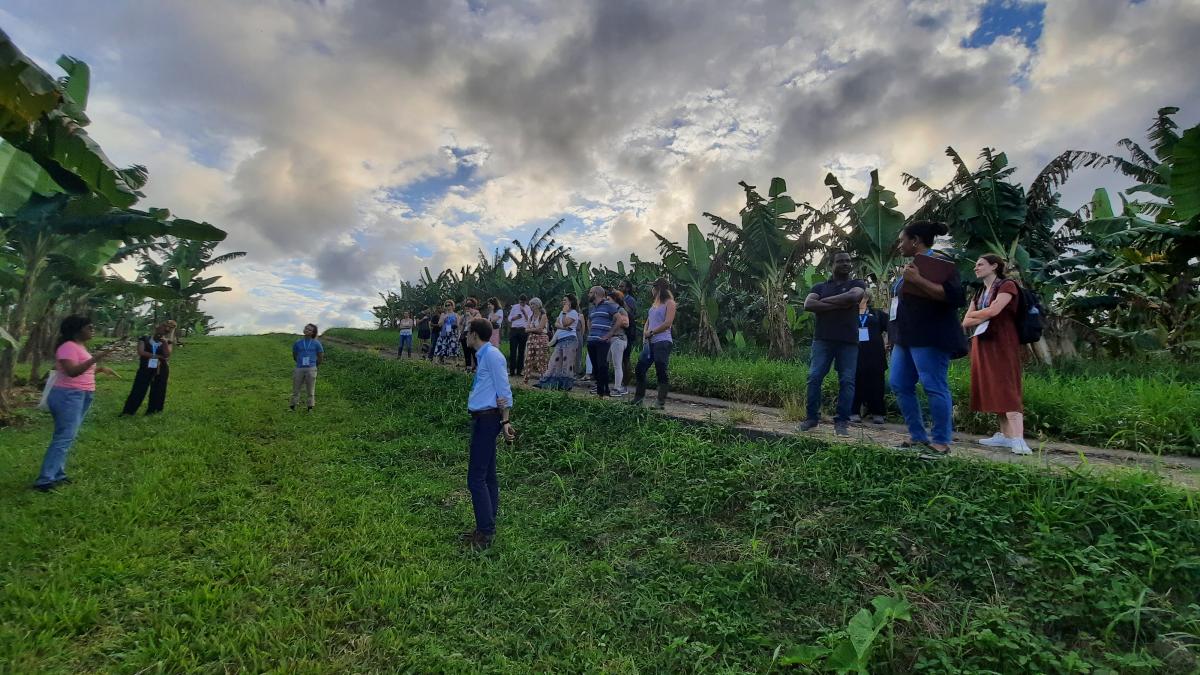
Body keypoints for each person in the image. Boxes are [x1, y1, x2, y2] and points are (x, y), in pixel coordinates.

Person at [888, 221, 967, 456]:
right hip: (905, 337)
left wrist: (918, 281)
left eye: (902, 240)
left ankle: (941, 441)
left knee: (934, 385)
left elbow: (956, 297)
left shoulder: (940, 263)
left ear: (915, 241)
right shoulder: (911, 266)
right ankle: (918, 436)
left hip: (930, 336)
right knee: (899, 383)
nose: (899, 245)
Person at [33, 315, 120, 492]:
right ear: (77, 330)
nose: (93, 330)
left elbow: (84, 371)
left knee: (67, 435)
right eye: (89, 327)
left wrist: (100, 369)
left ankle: (58, 474)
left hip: (82, 394)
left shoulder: (79, 346)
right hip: (68, 395)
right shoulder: (67, 347)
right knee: (64, 436)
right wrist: (96, 358)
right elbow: (72, 372)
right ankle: (45, 479)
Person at [962, 254, 1031, 454]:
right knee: (993, 386)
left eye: (980, 264)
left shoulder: (1007, 285)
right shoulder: (979, 292)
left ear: (994, 266)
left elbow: (995, 311)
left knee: (1007, 385)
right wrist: (984, 313)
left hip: (1003, 341)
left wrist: (979, 314)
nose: (976, 268)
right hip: (983, 341)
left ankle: (1018, 438)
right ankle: (1006, 435)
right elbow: (966, 321)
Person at [461, 318, 516, 551]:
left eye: (467, 332)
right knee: (488, 476)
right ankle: (487, 524)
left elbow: (505, 391)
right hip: (483, 418)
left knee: (475, 478)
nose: (465, 336)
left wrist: (506, 421)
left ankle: (485, 532)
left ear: (474, 334)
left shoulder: (492, 356)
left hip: (487, 420)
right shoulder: (483, 356)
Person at [801, 252, 867, 436]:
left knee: (847, 381)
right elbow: (808, 304)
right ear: (831, 265)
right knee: (814, 377)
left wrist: (823, 303)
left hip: (848, 341)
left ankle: (842, 422)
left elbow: (853, 297)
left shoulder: (857, 284)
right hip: (823, 340)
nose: (845, 264)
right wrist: (840, 303)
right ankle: (811, 418)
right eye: (840, 261)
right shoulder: (820, 286)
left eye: (848, 261)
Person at [631, 278, 676, 409]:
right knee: (640, 368)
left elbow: (667, 323)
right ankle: (638, 399)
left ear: (658, 289)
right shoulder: (654, 305)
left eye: (653, 287)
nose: (651, 290)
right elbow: (648, 321)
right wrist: (645, 332)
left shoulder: (670, 303)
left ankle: (660, 402)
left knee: (661, 369)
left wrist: (652, 332)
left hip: (662, 341)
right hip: (650, 342)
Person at [121, 321, 173, 415]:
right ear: (156, 327)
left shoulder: (168, 342)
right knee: (139, 388)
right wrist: (158, 356)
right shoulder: (144, 339)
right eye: (163, 327)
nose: (163, 330)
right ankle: (129, 411)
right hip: (145, 366)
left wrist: (164, 343)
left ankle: (154, 411)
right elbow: (141, 352)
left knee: (159, 389)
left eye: (166, 329)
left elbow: (167, 355)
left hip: (161, 368)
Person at [851, 295, 889, 425]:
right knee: (856, 380)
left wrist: (889, 342)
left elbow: (891, 327)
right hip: (856, 352)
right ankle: (854, 411)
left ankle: (877, 412)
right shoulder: (849, 313)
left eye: (860, 296)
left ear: (867, 298)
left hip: (875, 353)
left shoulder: (877, 314)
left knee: (877, 382)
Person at [537, 294, 581, 390]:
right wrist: (564, 327)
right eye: (563, 300)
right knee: (554, 361)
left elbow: (565, 322)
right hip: (561, 340)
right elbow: (556, 324)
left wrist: (565, 313)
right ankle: (547, 383)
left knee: (567, 363)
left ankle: (566, 385)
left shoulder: (573, 313)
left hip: (570, 340)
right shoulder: (562, 312)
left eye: (565, 300)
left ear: (570, 302)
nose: (563, 302)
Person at [585, 286, 622, 398]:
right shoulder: (593, 308)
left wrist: (610, 334)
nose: (588, 295)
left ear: (596, 293)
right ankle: (601, 391)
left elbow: (619, 319)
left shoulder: (608, 305)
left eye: (590, 292)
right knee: (596, 367)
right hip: (592, 340)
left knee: (602, 366)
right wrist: (591, 332)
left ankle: (602, 392)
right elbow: (589, 320)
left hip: (602, 341)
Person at [290, 323, 324, 412]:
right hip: (299, 368)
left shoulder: (316, 343)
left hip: (311, 368)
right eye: (306, 328)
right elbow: (294, 355)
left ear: (313, 333)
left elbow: (320, 356)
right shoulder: (298, 343)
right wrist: (299, 362)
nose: (306, 330)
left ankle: (310, 407)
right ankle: (293, 406)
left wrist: (315, 365)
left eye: (309, 330)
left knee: (310, 389)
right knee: (296, 388)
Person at [606, 289, 630, 396]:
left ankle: (617, 388)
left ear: (614, 300)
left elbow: (626, 323)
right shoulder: (609, 310)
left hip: (618, 339)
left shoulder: (620, 310)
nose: (606, 301)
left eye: (608, 299)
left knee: (617, 364)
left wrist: (617, 319)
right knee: (608, 363)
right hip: (611, 339)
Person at [523, 297, 550, 384]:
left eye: (533, 304)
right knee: (528, 359)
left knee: (541, 360)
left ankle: (543, 380)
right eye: (530, 304)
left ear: (538, 305)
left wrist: (531, 329)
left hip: (541, 339)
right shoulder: (531, 317)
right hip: (531, 339)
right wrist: (534, 329)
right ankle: (525, 380)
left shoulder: (543, 316)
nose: (531, 306)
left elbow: (540, 329)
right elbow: (526, 329)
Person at [619, 280, 639, 387]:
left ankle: (626, 381)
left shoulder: (630, 299)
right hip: (621, 330)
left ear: (627, 288)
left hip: (629, 330)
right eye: (619, 286)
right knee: (621, 358)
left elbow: (630, 313)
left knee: (626, 357)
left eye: (621, 286)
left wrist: (622, 301)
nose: (619, 288)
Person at [507, 295, 532, 376]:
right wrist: (515, 317)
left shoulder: (528, 308)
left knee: (521, 351)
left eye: (523, 302)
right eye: (521, 302)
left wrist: (524, 312)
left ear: (526, 302)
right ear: (519, 301)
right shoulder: (514, 307)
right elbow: (509, 318)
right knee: (513, 351)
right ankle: (511, 371)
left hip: (523, 330)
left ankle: (519, 371)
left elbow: (529, 320)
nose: (522, 304)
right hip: (514, 329)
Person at [461, 298, 482, 373]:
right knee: (466, 352)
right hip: (465, 333)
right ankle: (468, 367)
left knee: (474, 352)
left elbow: (474, 321)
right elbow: (462, 324)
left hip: (473, 334)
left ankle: (477, 367)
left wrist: (470, 315)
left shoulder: (477, 313)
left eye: (468, 308)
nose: (467, 310)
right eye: (466, 308)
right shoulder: (465, 315)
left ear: (472, 307)